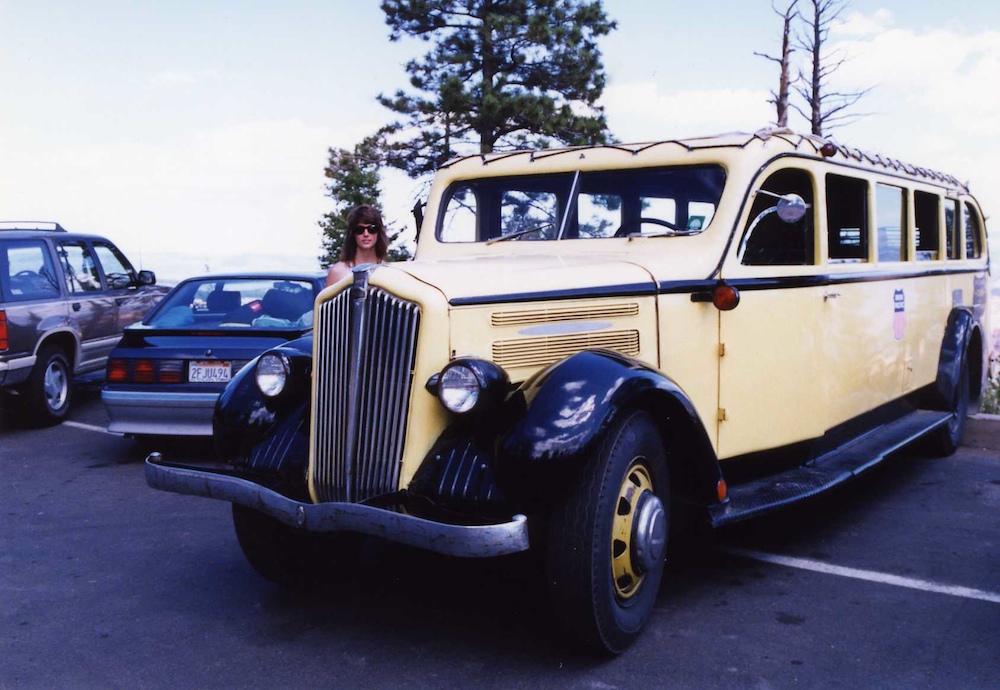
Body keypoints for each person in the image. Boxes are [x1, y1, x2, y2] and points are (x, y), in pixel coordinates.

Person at [325, 205, 390, 286]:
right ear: (352, 234)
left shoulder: (388, 272)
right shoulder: (338, 272)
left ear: (379, 232)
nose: (366, 234)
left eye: (372, 229)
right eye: (359, 230)